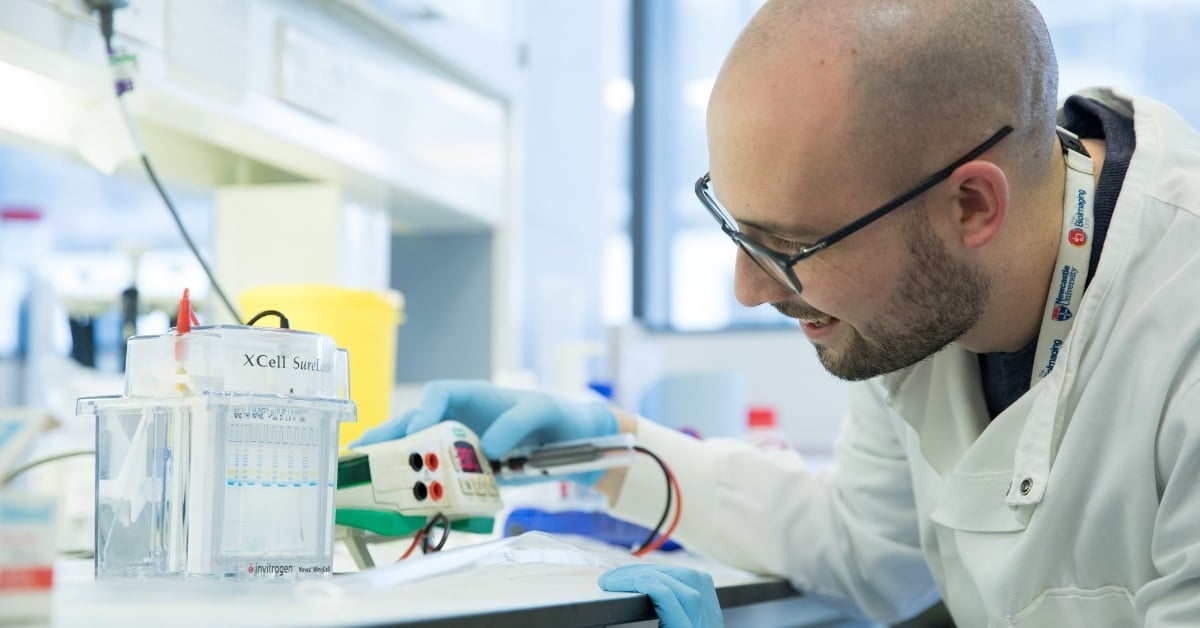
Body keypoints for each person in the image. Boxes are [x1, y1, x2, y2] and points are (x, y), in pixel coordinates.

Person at [359, 0, 1200, 625]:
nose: (749, 289)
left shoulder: (1180, 333)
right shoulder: (920, 299)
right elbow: (868, 545)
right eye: (735, 227)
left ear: (973, 208)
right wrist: (606, 452)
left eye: (793, 246)